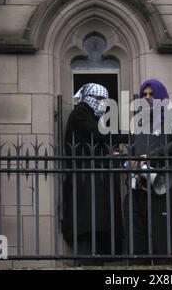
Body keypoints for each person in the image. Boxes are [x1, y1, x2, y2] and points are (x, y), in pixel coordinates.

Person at [123, 79, 172, 265]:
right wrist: (129, 161)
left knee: (162, 245)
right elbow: (133, 150)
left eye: (151, 94)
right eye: (144, 95)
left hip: (161, 187)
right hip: (137, 188)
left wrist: (151, 156)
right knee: (137, 246)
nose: (147, 98)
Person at [62, 83, 125, 266]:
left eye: (104, 101)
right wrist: (125, 136)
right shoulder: (81, 113)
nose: (101, 104)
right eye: (98, 99)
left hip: (93, 178)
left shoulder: (90, 116)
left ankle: (98, 255)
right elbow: (97, 135)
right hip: (85, 179)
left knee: (99, 222)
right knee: (90, 222)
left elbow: (93, 142)